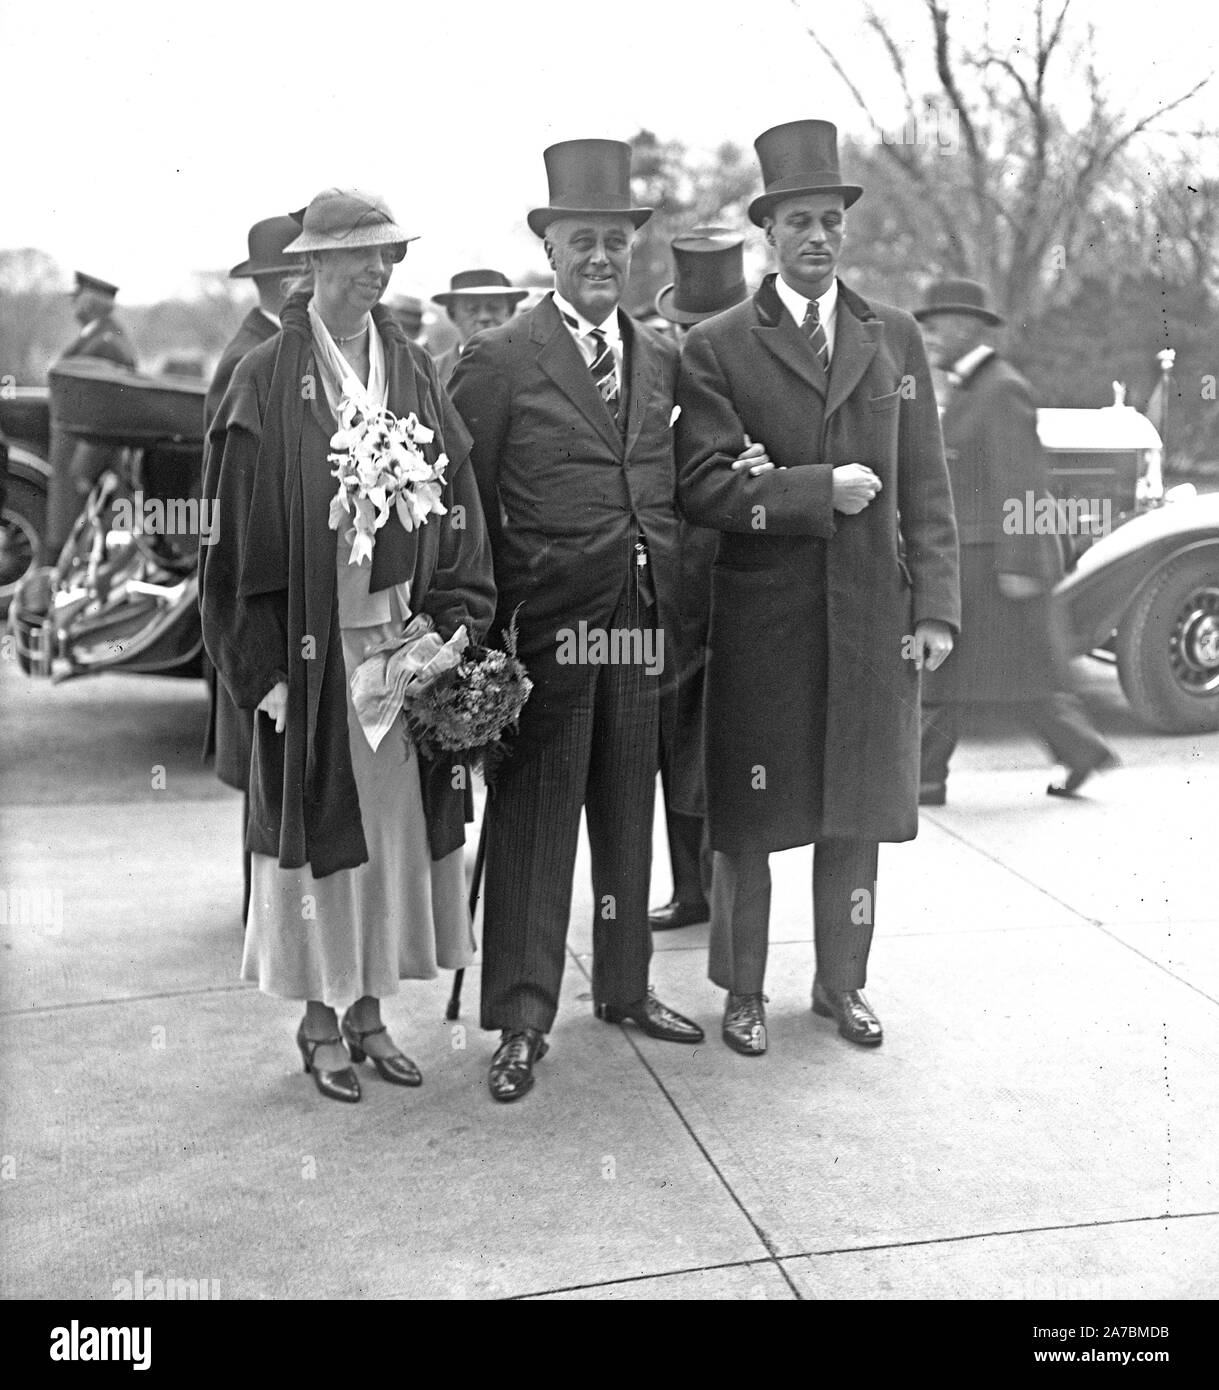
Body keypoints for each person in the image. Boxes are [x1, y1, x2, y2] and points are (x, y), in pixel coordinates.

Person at [200, 188, 496, 1104]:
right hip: (309, 652)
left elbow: (457, 503)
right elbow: (229, 543)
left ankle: (370, 1012)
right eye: (359, 255)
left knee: (389, 835)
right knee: (318, 837)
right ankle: (319, 1021)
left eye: (388, 255)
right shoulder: (265, 374)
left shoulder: (406, 364)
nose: (377, 270)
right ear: (311, 265)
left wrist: (453, 626)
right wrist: (259, 675)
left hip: (394, 642)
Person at [676, 120, 960, 1057]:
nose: (816, 237)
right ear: (766, 231)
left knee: (856, 814)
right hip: (763, 620)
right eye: (797, 220)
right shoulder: (716, 346)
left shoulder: (895, 339)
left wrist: (935, 612)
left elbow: (926, 483)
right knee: (751, 819)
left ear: (845, 229)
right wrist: (812, 490)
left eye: (830, 220)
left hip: (870, 618)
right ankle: (743, 992)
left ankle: (843, 984)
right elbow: (704, 486)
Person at [449, 138, 706, 1103]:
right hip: (545, 630)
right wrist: (474, 633)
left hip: (640, 620)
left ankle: (627, 987)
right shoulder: (501, 358)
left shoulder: (662, 353)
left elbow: (679, 471)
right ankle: (520, 1018)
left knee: (626, 812)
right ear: (549, 250)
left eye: (615, 240)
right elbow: (462, 504)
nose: (600, 256)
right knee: (535, 819)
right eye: (581, 240)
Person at [913, 278, 1117, 802]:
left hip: (995, 566)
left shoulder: (1000, 389)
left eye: (936, 327)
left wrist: (1021, 566)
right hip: (981, 561)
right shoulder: (976, 388)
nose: (929, 337)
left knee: (965, 673)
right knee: (1007, 676)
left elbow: (1021, 481)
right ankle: (1079, 753)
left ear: (966, 327)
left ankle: (924, 778)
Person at [201, 214, 306, 924]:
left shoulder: (271, 345)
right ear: (280, 280)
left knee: (272, 767)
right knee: (266, 768)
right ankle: (261, 911)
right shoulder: (252, 359)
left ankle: (267, 907)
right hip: (252, 591)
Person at [649, 228, 749, 933]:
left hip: (737, 581)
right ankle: (690, 889)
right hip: (668, 584)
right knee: (674, 741)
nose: (692, 341)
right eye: (684, 329)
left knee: (730, 745)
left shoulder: (756, 373)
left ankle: (725, 890)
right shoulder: (654, 377)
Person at [45, 272, 138, 555]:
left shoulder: (106, 344)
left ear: (90, 302)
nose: (74, 305)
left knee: (77, 554)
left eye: (78, 298)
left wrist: (83, 473)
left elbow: (107, 413)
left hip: (84, 472)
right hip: (75, 468)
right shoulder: (98, 338)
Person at [430, 269, 528, 385]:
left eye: (494, 307)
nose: (484, 317)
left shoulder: (532, 369)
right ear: (452, 315)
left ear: (510, 312)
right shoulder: (431, 374)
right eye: (472, 309)